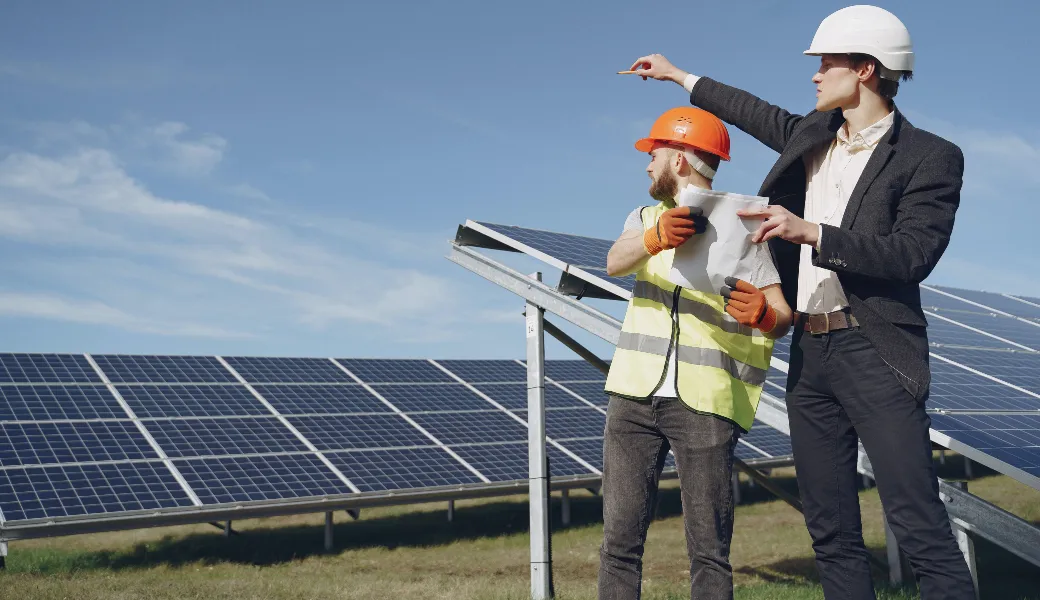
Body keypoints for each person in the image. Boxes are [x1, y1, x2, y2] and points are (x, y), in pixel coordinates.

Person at [621, 5, 975, 599]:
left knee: (918, 526)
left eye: (826, 63)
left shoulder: (930, 156)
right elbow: (751, 110)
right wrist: (679, 75)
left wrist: (810, 232)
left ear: (866, 69)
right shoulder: (811, 135)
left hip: (876, 350)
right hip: (812, 356)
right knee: (830, 530)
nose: (814, 75)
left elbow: (913, 254)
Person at [601, 106, 793, 600]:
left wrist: (765, 316)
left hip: (706, 403)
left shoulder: (746, 230)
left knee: (709, 550)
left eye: (655, 154)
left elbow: (781, 313)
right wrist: (654, 238)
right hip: (633, 399)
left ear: (681, 160)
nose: (647, 165)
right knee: (619, 542)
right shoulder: (643, 218)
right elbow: (614, 262)